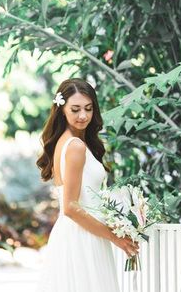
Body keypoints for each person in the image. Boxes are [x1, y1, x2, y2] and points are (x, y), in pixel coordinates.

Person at [36, 78, 139, 292]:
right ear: (61, 109)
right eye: (75, 109)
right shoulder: (75, 146)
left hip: (78, 232)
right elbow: (71, 207)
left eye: (88, 108)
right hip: (82, 237)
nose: (83, 115)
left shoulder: (66, 141)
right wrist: (115, 238)